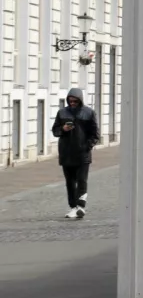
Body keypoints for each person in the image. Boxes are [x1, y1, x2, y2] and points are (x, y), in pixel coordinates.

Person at [51, 88, 99, 220]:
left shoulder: (89, 113)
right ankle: (73, 207)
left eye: (75, 101)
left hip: (83, 153)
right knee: (70, 182)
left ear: (80, 100)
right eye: (70, 100)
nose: (72, 103)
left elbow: (95, 134)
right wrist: (63, 129)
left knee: (82, 180)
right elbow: (55, 130)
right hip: (66, 152)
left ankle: (81, 206)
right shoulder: (62, 112)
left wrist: (87, 147)